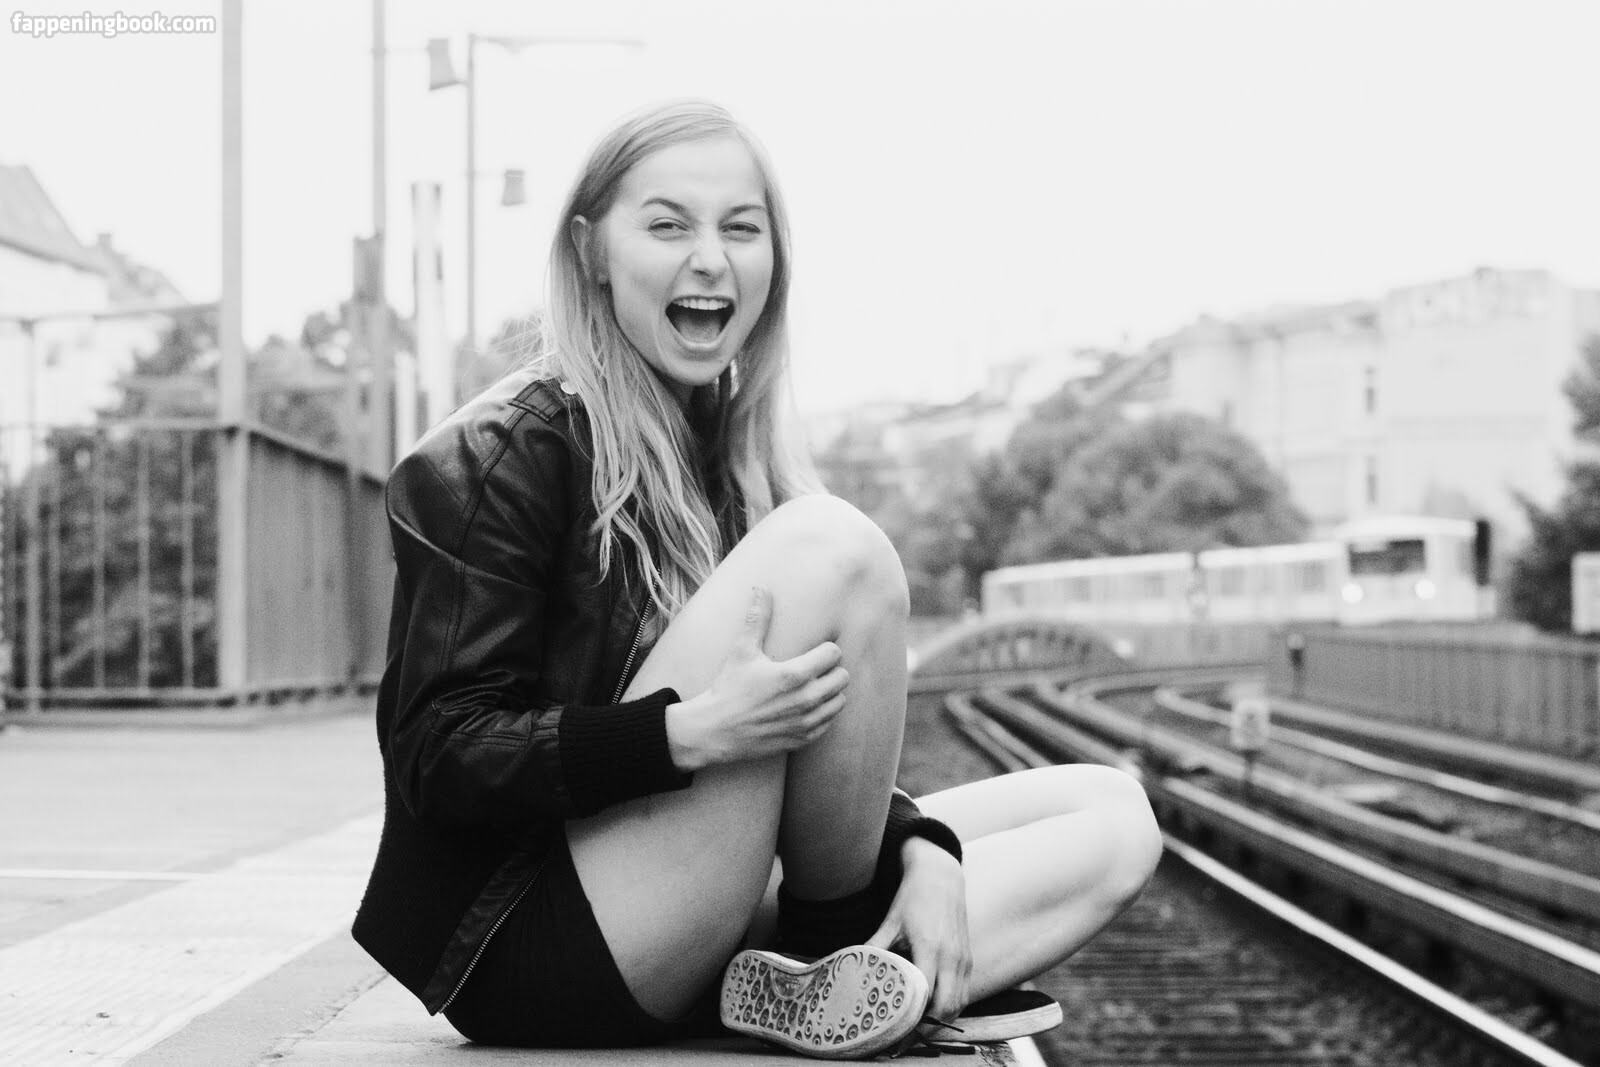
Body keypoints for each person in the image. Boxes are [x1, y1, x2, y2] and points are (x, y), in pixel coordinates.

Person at [352, 100, 1164, 1058]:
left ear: (774, 260)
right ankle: (844, 958)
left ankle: (846, 976)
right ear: (590, 251)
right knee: (836, 544)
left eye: (741, 228)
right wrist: (684, 733)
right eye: (668, 225)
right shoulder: (503, 454)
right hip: (535, 937)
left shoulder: (735, 457)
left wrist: (917, 842)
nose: (711, 258)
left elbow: (802, 728)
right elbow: (438, 751)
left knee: (1115, 817)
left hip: (692, 889)